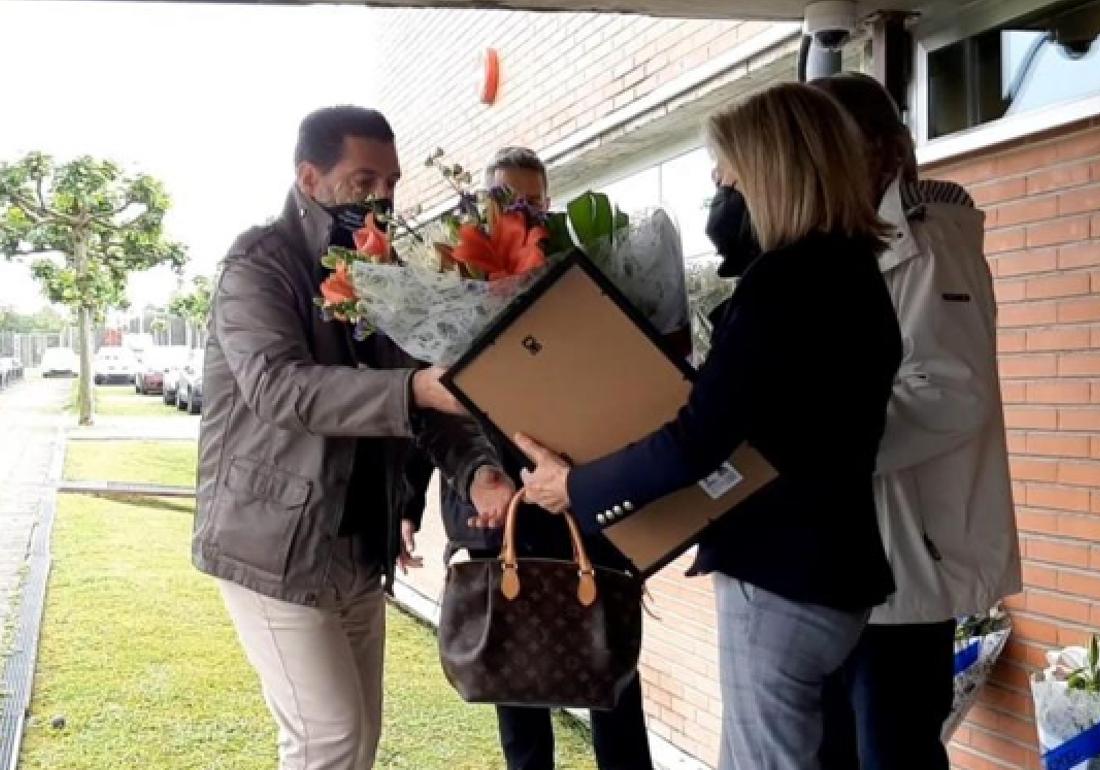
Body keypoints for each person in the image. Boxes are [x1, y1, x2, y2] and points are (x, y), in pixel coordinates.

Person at [516, 82, 902, 770]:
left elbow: (698, 438)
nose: (718, 198)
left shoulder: (785, 284)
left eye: (725, 179)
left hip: (782, 580)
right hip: (837, 573)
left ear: (771, 174)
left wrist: (577, 486)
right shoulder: (854, 274)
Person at [193, 105, 505, 770]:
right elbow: (279, 388)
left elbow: (426, 395)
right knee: (327, 737)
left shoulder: (384, 270)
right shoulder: (258, 265)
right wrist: (414, 389)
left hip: (360, 540)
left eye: (390, 183)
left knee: (358, 737)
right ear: (309, 176)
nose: (382, 198)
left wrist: (477, 468)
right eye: (363, 181)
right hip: (274, 543)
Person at [809, 73, 1020, 770]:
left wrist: (813, 445)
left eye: (826, 146)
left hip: (904, 567)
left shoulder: (931, 244)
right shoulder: (859, 240)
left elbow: (947, 394)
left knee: (892, 753)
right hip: (861, 561)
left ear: (881, 150)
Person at [430, 145, 655, 770]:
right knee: (516, 685)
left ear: (549, 202)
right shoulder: (456, 286)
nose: (521, 210)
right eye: (507, 197)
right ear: (482, 201)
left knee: (613, 682)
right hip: (499, 513)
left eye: (532, 198)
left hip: (584, 507)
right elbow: (436, 412)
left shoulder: (584, 276)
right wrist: (412, 500)